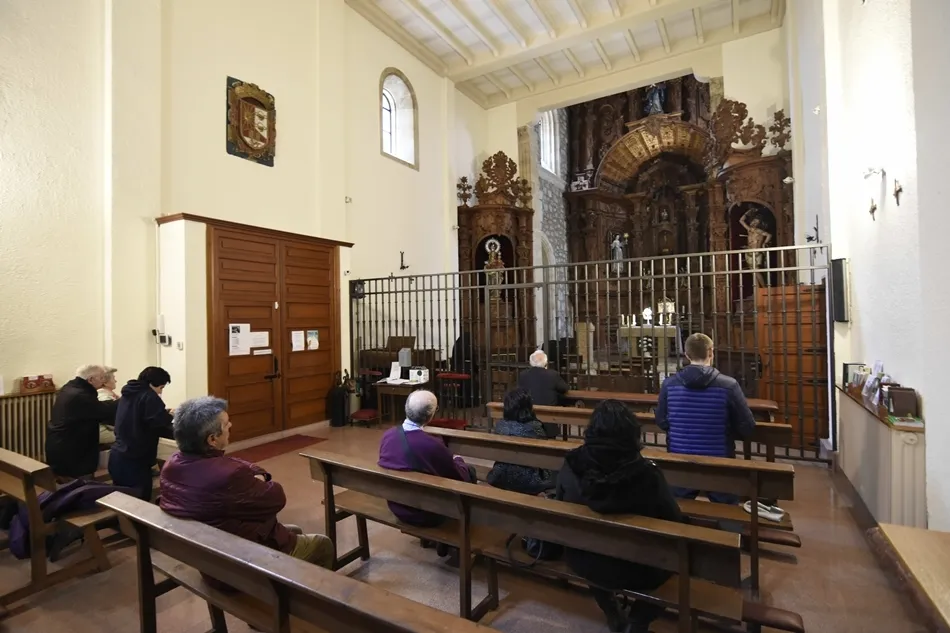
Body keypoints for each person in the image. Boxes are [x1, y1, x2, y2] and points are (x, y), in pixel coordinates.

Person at [160, 396, 334, 568]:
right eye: (226, 423)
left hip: (207, 550)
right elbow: (275, 498)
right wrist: (258, 477)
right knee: (322, 544)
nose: (231, 426)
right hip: (240, 561)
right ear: (212, 439)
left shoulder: (171, 465)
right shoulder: (228, 476)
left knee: (293, 529)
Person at [556, 400, 681, 633]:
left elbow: (559, 499)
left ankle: (611, 610)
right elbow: (674, 520)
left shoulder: (571, 464)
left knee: (595, 546)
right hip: (639, 569)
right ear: (632, 432)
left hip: (584, 559)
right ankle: (638, 620)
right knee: (680, 558)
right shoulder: (647, 474)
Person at [655, 332, 755, 504]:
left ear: (686, 355)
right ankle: (730, 528)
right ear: (711, 352)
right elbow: (747, 426)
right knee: (727, 510)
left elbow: (662, 421)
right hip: (719, 463)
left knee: (676, 507)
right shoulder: (728, 385)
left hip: (680, 460)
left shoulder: (669, 385)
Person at [378, 390, 476, 527]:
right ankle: (467, 525)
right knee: (470, 471)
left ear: (406, 408)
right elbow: (459, 478)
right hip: (428, 512)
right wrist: (458, 460)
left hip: (398, 506)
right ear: (430, 415)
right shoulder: (433, 444)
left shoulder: (388, 436)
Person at [108, 367, 174, 500]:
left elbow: (140, 416)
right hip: (135, 458)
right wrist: (171, 417)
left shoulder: (129, 393)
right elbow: (159, 423)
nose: (160, 392)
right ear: (152, 384)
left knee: (122, 499)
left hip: (118, 455)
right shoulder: (149, 396)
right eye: (161, 387)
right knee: (140, 501)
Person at [46, 364, 119, 479]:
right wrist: (124, 400)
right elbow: (103, 412)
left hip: (61, 443)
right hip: (72, 451)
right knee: (79, 485)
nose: (103, 381)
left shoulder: (70, 388)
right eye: (101, 378)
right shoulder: (80, 395)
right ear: (90, 380)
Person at [486, 388, 555, 495]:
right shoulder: (535, 427)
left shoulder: (500, 426)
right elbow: (544, 455)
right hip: (528, 480)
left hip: (501, 475)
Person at [517, 349, 569, 438]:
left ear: (531, 362)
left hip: (528, 416)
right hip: (548, 421)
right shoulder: (552, 374)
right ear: (545, 363)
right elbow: (565, 388)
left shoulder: (523, 375)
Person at [96, 367, 119, 445]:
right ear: (105, 382)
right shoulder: (103, 397)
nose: (116, 381)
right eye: (113, 378)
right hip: (103, 433)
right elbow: (109, 421)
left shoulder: (107, 395)